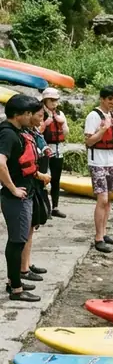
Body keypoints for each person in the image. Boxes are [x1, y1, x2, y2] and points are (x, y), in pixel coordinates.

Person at [0, 94, 43, 302]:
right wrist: (13, 188)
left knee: (19, 239)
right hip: (15, 198)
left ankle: (13, 281)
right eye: (27, 113)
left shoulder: (18, 131)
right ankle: (16, 290)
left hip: (24, 194)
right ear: (18, 115)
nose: (30, 116)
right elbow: (0, 163)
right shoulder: (8, 134)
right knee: (16, 242)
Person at [84, 85, 113, 252]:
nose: (112, 102)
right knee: (102, 199)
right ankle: (98, 238)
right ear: (102, 99)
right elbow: (89, 141)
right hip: (97, 162)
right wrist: (103, 129)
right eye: (109, 99)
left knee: (109, 199)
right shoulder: (94, 116)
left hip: (110, 160)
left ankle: (104, 232)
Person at [20, 105, 53, 286]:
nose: (42, 120)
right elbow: (26, 165)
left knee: (32, 227)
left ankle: (27, 263)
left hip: (38, 185)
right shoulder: (23, 135)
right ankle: (23, 269)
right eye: (39, 116)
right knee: (26, 229)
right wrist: (41, 176)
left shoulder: (34, 133)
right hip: (30, 184)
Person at [39, 89, 67, 218]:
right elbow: (36, 131)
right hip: (44, 148)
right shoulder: (40, 113)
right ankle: (44, 208)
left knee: (56, 179)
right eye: (52, 100)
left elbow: (66, 132)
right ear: (45, 100)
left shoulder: (60, 114)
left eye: (56, 100)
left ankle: (55, 207)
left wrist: (62, 123)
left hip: (57, 148)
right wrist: (46, 123)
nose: (54, 103)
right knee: (43, 178)